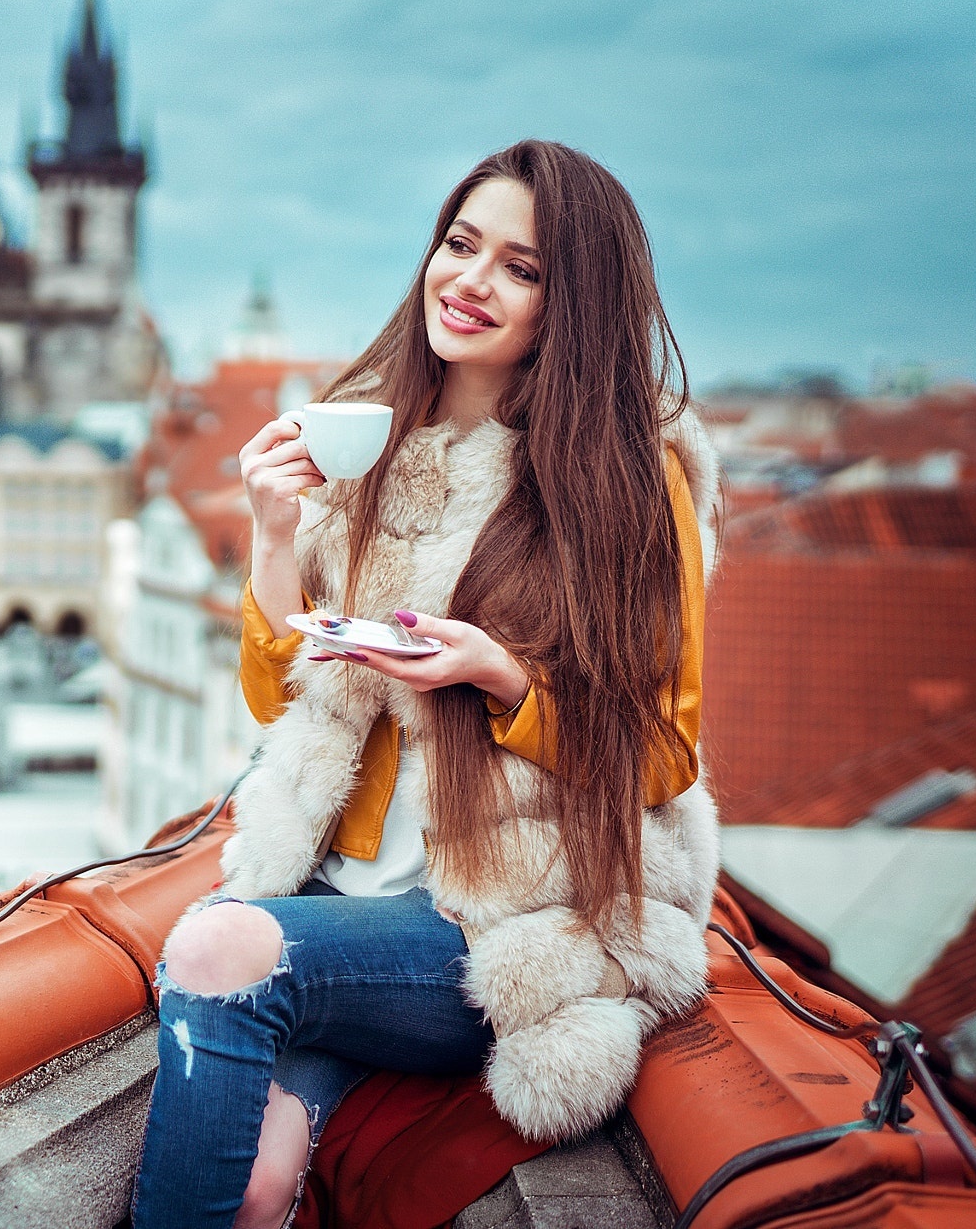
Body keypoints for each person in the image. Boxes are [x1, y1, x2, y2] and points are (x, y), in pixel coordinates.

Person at [131, 140, 721, 1228]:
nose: (469, 280)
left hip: (493, 922)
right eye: (459, 244)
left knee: (214, 946)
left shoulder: (631, 480)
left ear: (572, 304)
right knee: (254, 1192)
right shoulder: (373, 438)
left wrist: (497, 674)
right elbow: (278, 700)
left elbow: (662, 754)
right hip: (332, 900)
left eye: (520, 267)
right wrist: (271, 531)